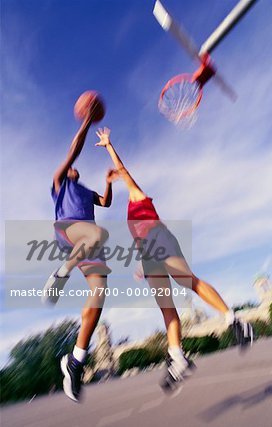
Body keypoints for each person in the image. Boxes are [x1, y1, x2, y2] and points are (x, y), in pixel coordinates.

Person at [95, 127, 254, 392]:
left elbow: (123, 170)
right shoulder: (133, 215)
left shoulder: (139, 197)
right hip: (149, 253)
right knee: (166, 309)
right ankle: (177, 357)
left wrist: (109, 147)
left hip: (160, 242)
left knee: (188, 281)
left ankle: (233, 320)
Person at [41, 107, 114, 402]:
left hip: (88, 244)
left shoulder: (85, 191)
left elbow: (106, 203)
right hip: (69, 231)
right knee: (97, 233)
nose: (73, 167)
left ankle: (76, 360)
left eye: (74, 166)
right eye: (71, 165)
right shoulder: (60, 183)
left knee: (99, 293)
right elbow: (74, 150)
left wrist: (109, 180)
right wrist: (86, 122)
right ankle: (61, 272)